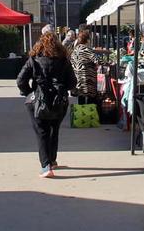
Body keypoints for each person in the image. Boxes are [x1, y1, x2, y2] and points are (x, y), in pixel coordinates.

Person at [16, 31, 76, 178]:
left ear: (40, 43)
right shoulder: (63, 60)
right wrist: (61, 88)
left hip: (38, 99)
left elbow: (20, 80)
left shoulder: (34, 59)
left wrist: (29, 92)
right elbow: (72, 82)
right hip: (59, 100)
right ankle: (52, 160)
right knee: (54, 129)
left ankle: (46, 166)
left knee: (42, 132)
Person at [70, 29, 98, 103]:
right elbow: (97, 60)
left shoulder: (75, 50)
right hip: (87, 78)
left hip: (78, 78)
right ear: (87, 39)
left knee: (81, 97)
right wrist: (108, 63)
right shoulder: (86, 49)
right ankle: (89, 114)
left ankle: (80, 114)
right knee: (90, 98)